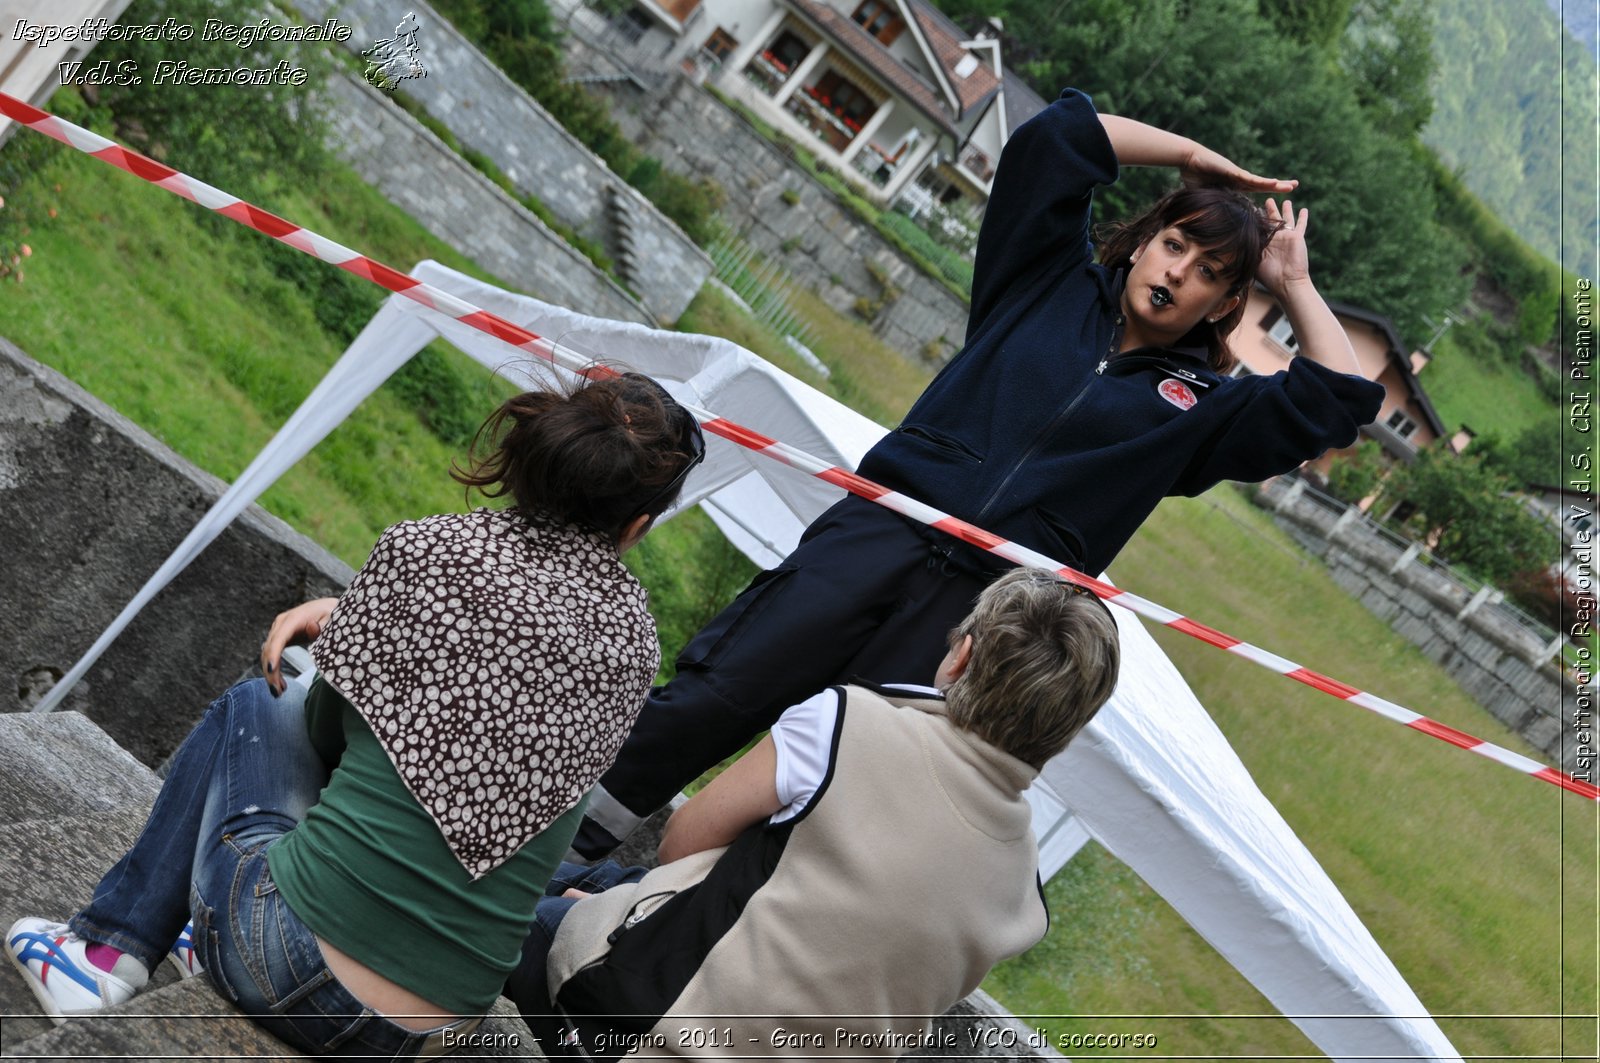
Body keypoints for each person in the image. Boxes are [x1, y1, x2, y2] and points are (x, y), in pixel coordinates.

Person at [568, 87, 1387, 859]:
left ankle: (653, 945)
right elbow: (1057, 138)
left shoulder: (1203, 411)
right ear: (1143, 242)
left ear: (1221, 307)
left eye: (1209, 272)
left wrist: (1297, 282)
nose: (1178, 273)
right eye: (1174, 245)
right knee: (717, 692)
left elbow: (1337, 400)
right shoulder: (1041, 281)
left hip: (972, 623)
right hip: (875, 535)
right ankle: (553, 855)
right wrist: (1190, 155)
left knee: (831, 796)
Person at [5, 373, 704, 1058]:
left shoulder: (431, 550)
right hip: (435, 1031)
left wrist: (355, 641)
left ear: (538, 460)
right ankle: (192, 935)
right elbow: (499, 702)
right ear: (638, 523)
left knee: (260, 703)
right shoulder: (633, 643)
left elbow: (323, 736)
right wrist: (365, 632)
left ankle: (102, 952)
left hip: (288, 970)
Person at [508, 567, 1122, 1058]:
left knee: (506, 905)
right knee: (609, 886)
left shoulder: (849, 720)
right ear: (1069, 726)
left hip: (643, 1026)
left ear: (960, 657)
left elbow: (680, 845)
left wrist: (621, 921)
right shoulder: (1021, 889)